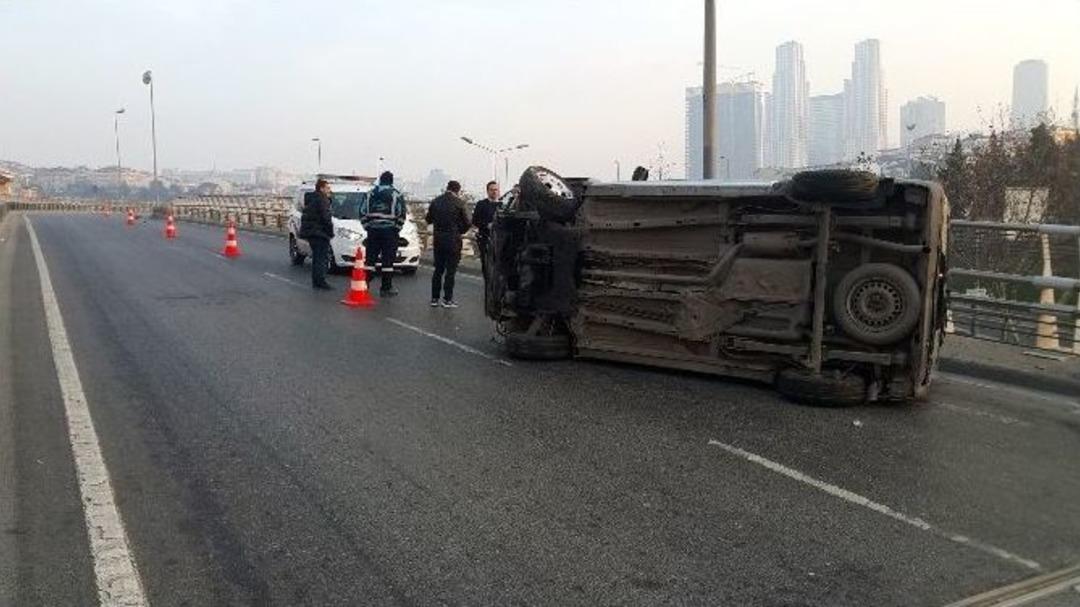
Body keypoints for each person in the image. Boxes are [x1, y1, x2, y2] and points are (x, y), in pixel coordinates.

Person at [360, 171, 407, 297]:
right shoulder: (396, 195)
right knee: (388, 260)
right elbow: (401, 214)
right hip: (389, 232)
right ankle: (386, 288)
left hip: (373, 231)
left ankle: (364, 285)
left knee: (370, 260)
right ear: (391, 181)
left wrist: (367, 227)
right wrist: (396, 229)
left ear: (380, 180)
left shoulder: (370, 194)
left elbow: (362, 211)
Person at [425, 180, 470, 308]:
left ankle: (434, 298)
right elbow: (467, 222)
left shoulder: (436, 201)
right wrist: (459, 231)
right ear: (458, 190)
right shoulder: (460, 203)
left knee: (438, 270)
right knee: (450, 271)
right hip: (453, 241)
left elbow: (428, 219)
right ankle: (447, 300)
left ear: (447, 188)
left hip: (438, 240)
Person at [299, 179, 334, 290]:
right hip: (319, 232)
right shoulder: (322, 200)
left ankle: (316, 280)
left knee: (316, 258)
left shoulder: (311, 199)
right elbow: (326, 218)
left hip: (311, 232)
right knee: (321, 258)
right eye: (327, 188)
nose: (329, 190)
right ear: (321, 188)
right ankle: (320, 281)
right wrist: (330, 231)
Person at [471, 180, 499, 280]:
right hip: (485, 238)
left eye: (496, 190)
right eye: (492, 190)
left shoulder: (502, 205)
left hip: (499, 241)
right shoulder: (481, 204)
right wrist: (487, 225)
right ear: (487, 191)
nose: (494, 192)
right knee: (487, 265)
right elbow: (475, 221)